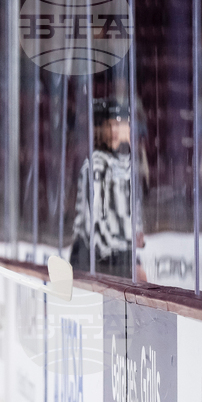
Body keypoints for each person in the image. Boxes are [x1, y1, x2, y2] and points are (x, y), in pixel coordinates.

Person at [70, 99, 138, 279]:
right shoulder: (96, 165)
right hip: (101, 260)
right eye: (108, 125)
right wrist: (125, 257)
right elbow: (96, 223)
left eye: (119, 124)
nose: (114, 131)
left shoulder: (126, 164)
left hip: (115, 257)